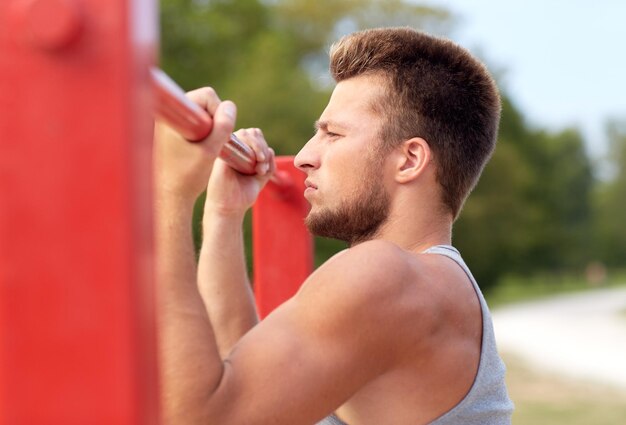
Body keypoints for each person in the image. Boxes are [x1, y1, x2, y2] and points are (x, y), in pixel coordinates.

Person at [154, 27, 514, 425]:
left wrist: (166, 192)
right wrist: (224, 214)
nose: (306, 156)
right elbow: (247, 378)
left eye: (333, 134)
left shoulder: (387, 277)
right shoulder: (427, 282)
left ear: (410, 160)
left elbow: (201, 417)